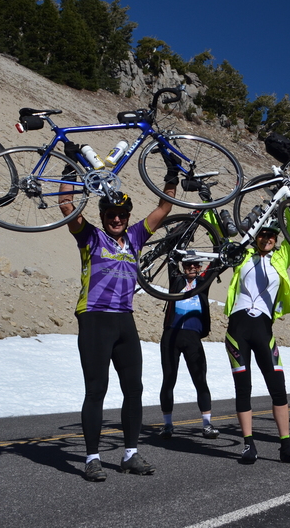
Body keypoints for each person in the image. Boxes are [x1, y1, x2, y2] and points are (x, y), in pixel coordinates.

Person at [58, 160, 176, 482]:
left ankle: (130, 454)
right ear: (103, 217)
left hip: (125, 320)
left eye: (121, 215)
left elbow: (164, 207)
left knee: (133, 389)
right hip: (95, 318)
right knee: (96, 390)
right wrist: (68, 173)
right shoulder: (91, 238)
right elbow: (67, 206)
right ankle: (93, 458)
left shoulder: (136, 236)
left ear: (126, 217)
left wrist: (171, 174)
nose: (116, 219)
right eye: (110, 214)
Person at [224, 215, 290, 464]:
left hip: (264, 330)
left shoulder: (281, 258)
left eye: (272, 236)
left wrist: (285, 204)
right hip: (237, 331)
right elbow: (220, 240)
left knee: (278, 387)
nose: (267, 239)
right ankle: (248, 445)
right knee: (243, 389)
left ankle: (286, 446)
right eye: (263, 234)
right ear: (256, 237)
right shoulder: (243, 255)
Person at [157, 258, 219, 439]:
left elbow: (216, 265)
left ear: (200, 267)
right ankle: (167, 425)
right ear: (183, 267)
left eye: (195, 265)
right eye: (187, 264)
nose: (192, 267)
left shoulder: (203, 283)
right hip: (171, 335)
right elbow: (171, 258)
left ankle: (207, 425)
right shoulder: (176, 279)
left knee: (200, 380)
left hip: (192, 337)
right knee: (169, 379)